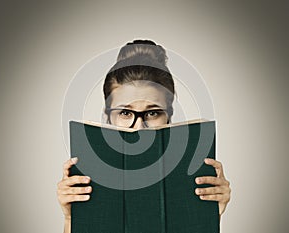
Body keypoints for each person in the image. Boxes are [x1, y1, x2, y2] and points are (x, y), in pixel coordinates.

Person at [57, 39, 231, 233]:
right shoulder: (89, 175)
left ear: (169, 116)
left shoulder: (191, 170)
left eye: (152, 113)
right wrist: (71, 218)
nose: (139, 127)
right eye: (125, 113)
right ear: (108, 116)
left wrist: (212, 215)